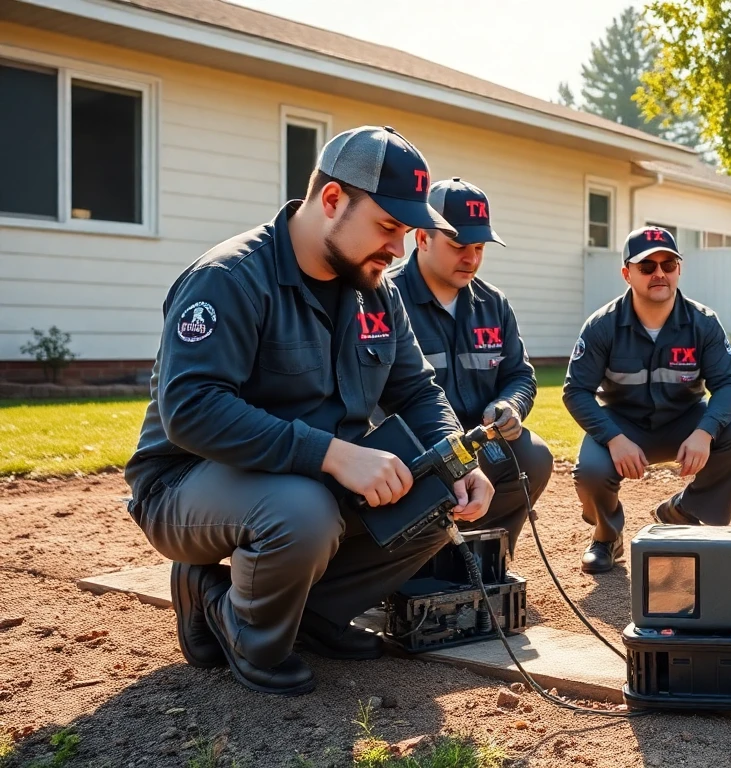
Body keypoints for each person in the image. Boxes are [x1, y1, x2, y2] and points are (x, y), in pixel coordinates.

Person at [124, 126, 493, 697]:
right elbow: (191, 409)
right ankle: (240, 624)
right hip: (184, 485)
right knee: (304, 512)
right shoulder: (230, 278)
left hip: (309, 478)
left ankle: (314, 618)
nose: (398, 250)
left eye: (407, 232)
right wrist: (331, 454)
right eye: (389, 227)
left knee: (436, 498)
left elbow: (416, 391)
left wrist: (458, 456)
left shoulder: (375, 289)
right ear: (331, 201)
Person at [563, 226, 731, 574]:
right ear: (627, 273)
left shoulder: (704, 324)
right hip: (622, 424)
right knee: (591, 471)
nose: (659, 274)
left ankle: (685, 511)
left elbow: (728, 384)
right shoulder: (601, 327)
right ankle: (607, 536)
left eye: (668, 265)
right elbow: (576, 391)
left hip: (684, 422)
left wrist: (705, 433)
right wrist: (614, 439)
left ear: (679, 269)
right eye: (647, 266)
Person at [389, 177, 552, 554]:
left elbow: (520, 376)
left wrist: (510, 405)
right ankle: (418, 566)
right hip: (415, 447)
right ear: (423, 239)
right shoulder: (384, 298)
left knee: (535, 457)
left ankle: (488, 558)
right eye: (459, 245)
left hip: (480, 442)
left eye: (479, 247)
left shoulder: (494, 303)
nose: (472, 259)